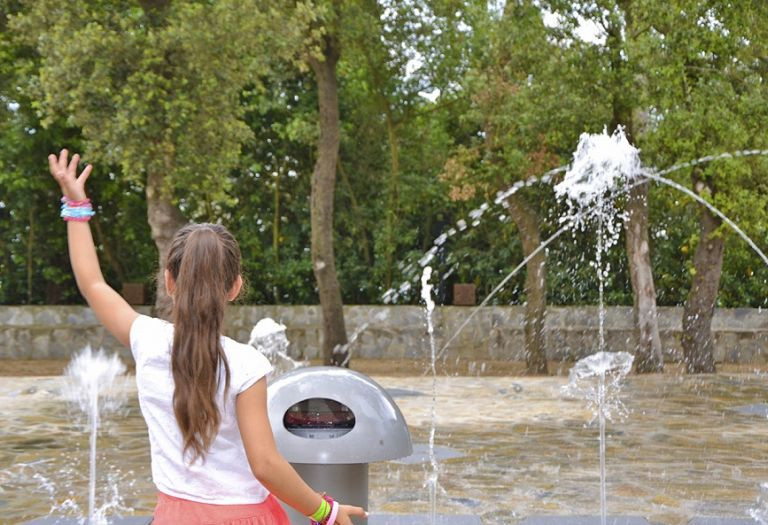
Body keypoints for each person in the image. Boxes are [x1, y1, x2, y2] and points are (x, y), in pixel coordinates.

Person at [49, 149, 367, 525]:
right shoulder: (247, 363)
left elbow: (93, 283)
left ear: (169, 281)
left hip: (175, 516)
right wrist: (326, 512)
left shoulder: (147, 340)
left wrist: (77, 205)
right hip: (246, 517)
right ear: (235, 287)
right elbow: (265, 464)